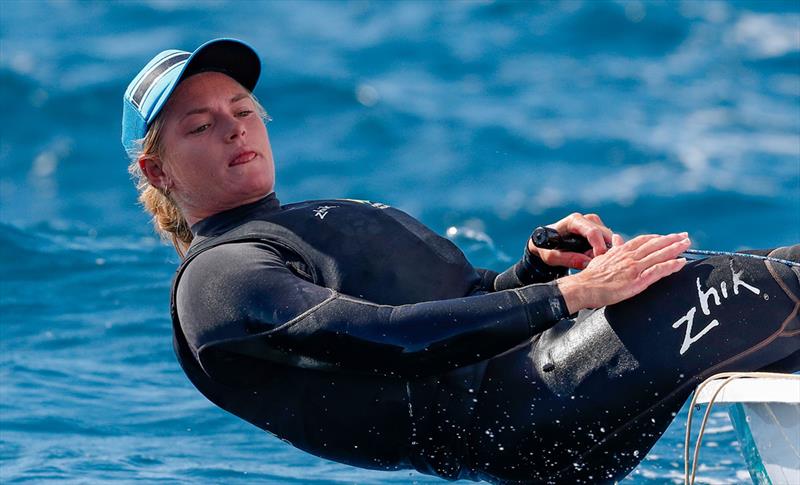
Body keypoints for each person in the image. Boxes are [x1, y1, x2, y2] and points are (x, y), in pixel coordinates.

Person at [123, 39, 799, 484]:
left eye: (241, 108)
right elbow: (389, 337)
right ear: (160, 170)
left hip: (540, 381)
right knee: (770, 288)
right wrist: (573, 296)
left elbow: (463, 298)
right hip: (520, 410)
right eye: (200, 125)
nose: (235, 125)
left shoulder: (298, 227)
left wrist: (535, 270)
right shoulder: (220, 279)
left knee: (783, 270)